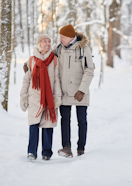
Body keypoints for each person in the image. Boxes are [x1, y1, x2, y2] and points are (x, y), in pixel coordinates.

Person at [54, 24, 94, 157]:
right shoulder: (59, 49)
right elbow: (45, 57)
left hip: (79, 92)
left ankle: (81, 148)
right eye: (60, 36)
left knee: (81, 120)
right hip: (65, 92)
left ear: (71, 37)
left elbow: (89, 70)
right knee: (65, 119)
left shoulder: (83, 49)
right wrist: (29, 64)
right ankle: (66, 147)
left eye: (63, 37)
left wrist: (82, 90)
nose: (60, 39)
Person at [20, 34, 61, 161]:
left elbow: (56, 80)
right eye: (45, 41)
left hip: (49, 96)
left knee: (48, 124)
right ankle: (32, 152)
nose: (48, 44)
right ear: (39, 43)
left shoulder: (54, 60)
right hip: (34, 97)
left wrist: (57, 96)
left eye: (49, 41)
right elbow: (26, 80)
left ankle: (46, 153)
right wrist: (23, 96)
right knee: (33, 125)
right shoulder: (32, 60)